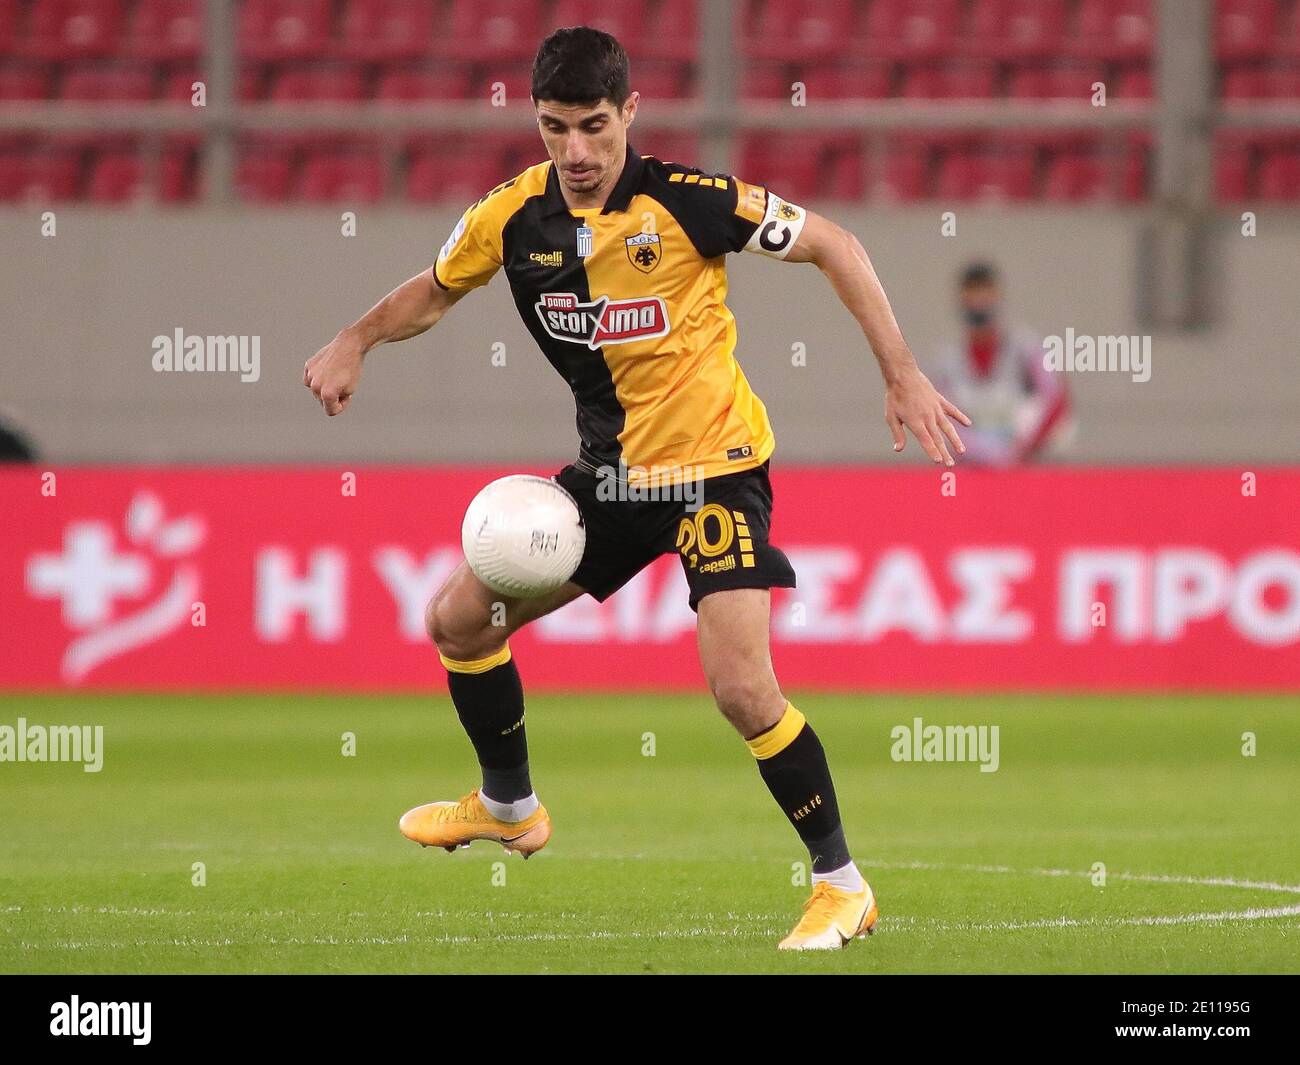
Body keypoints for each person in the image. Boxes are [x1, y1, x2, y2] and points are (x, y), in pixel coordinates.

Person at [304, 27, 969, 951]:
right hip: (609, 479)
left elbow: (834, 244)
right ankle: (508, 805)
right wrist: (356, 338)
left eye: (593, 126)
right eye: (553, 128)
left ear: (629, 116)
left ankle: (841, 884)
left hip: (714, 472)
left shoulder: (688, 202)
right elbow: (437, 288)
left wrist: (899, 372)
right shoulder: (510, 216)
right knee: (459, 621)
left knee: (740, 686)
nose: (575, 151)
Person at [932, 262, 1071, 466]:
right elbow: (940, 415)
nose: (978, 303)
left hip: (1025, 451)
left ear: (997, 297)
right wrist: (978, 451)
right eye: (972, 294)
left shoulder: (1026, 347)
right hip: (971, 453)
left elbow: (1056, 400)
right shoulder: (947, 359)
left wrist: (1018, 450)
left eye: (985, 294)